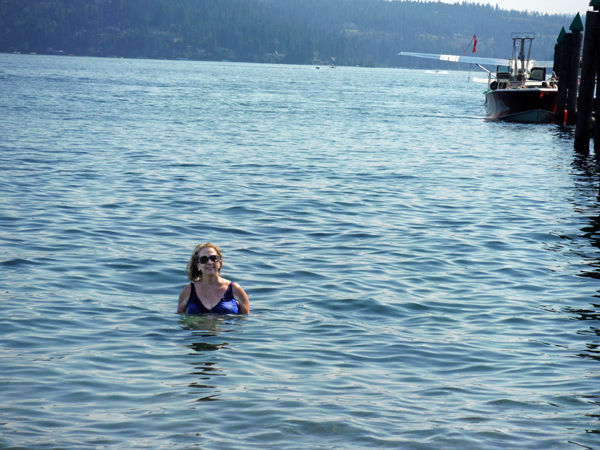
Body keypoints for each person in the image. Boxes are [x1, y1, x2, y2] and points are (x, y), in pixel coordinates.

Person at [177, 243, 249, 315]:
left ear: (219, 263)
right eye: (204, 259)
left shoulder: (234, 289)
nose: (210, 262)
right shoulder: (188, 291)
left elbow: (245, 320)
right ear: (198, 265)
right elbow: (180, 319)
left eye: (214, 258)